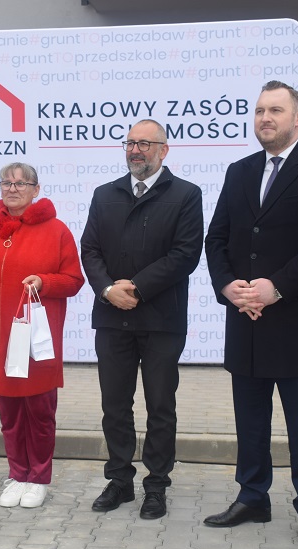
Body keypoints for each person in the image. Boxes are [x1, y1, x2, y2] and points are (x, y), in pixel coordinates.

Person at [203, 81, 298, 548]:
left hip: (296, 324)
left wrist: (277, 288)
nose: (265, 118)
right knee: (250, 422)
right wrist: (228, 286)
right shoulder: (240, 170)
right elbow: (217, 238)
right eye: (260, 110)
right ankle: (253, 497)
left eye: (276, 110)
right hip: (245, 320)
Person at [80, 119, 203, 520]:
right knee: (114, 406)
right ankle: (119, 481)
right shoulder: (105, 194)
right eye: (130, 143)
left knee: (160, 406)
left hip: (161, 319)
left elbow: (185, 254)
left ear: (163, 150)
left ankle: (156, 485)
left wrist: (135, 287)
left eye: (145, 144)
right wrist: (106, 289)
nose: (136, 150)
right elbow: (89, 250)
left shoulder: (186, 194)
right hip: (111, 316)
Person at [0, 163, 84, 509]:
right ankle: (17, 474)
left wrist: (44, 281)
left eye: (21, 183)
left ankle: (38, 477)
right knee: (10, 416)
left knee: (39, 413)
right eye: (7, 183)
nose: (12, 189)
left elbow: (74, 280)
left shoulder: (56, 230)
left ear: (36, 189)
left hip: (34, 339)